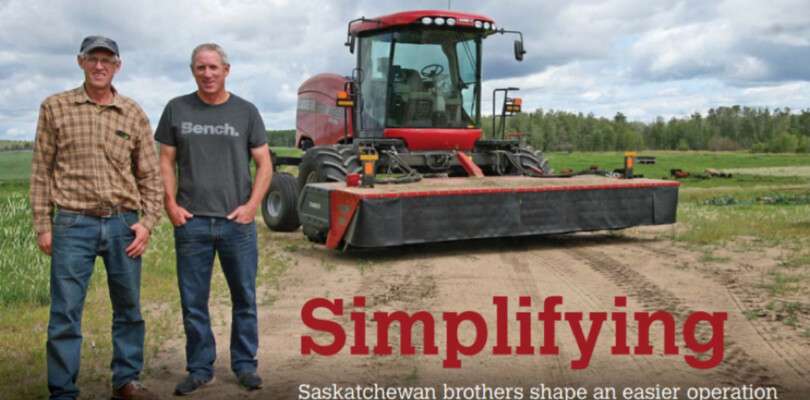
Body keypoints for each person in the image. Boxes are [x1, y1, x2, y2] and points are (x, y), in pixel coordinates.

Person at [30, 36, 163, 400]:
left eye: (107, 59)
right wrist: (44, 225)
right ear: (80, 62)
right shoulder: (55, 108)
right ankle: (62, 391)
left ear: (118, 65)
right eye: (93, 59)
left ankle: (126, 380)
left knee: (129, 308)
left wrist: (147, 223)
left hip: (124, 224)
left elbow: (150, 175)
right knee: (65, 313)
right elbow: (42, 170)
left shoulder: (132, 112)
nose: (100, 66)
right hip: (73, 223)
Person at [155, 43, 272, 395]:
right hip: (191, 224)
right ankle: (200, 367)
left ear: (226, 70)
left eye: (213, 68)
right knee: (193, 301)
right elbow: (165, 162)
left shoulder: (246, 112)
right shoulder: (176, 109)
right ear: (193, 71)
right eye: (200, 68)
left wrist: (252, 206)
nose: (207, 74)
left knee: (244, 298)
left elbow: (264, 164)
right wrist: (171, 206)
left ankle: (244, 365)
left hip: (236, 224)